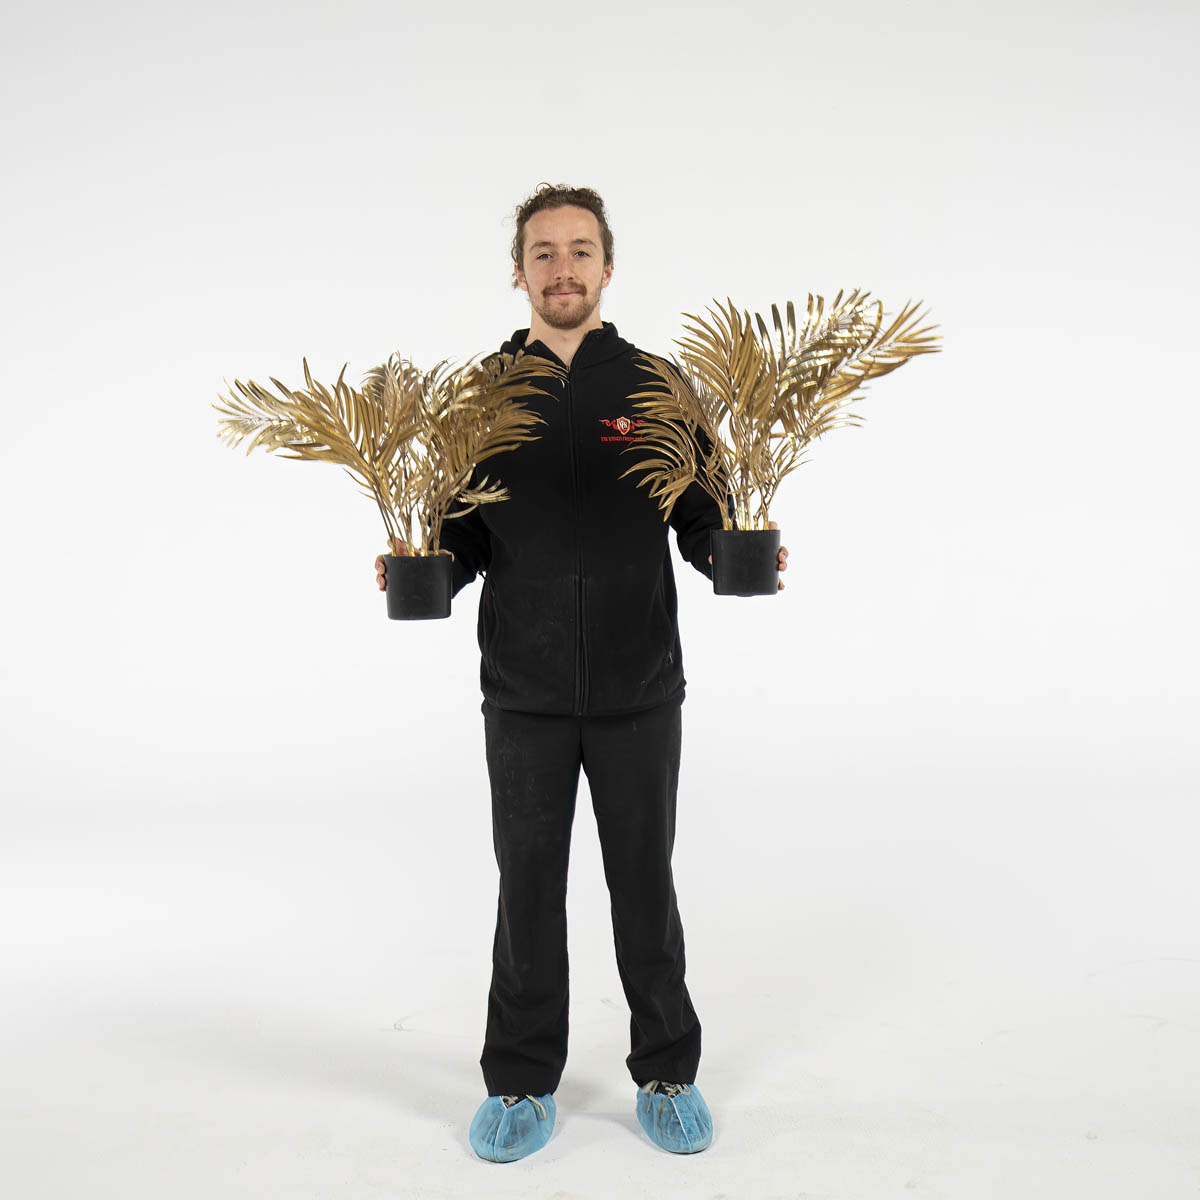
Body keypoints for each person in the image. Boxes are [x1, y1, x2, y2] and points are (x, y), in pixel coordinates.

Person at [374, 184, 788, 1162]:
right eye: (544, 252)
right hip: (523, 691)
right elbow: (463, 534)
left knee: (644, 884)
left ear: (608, 266)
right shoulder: (482, 394)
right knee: (527, 889)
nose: (562, 268)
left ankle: (668, 1071)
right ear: (518, 272)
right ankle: (520, 1084)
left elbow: (700, 515)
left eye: (580, 250)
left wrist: (738, 550)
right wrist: (423, 564)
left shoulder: (655, 384)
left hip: (640, 686)